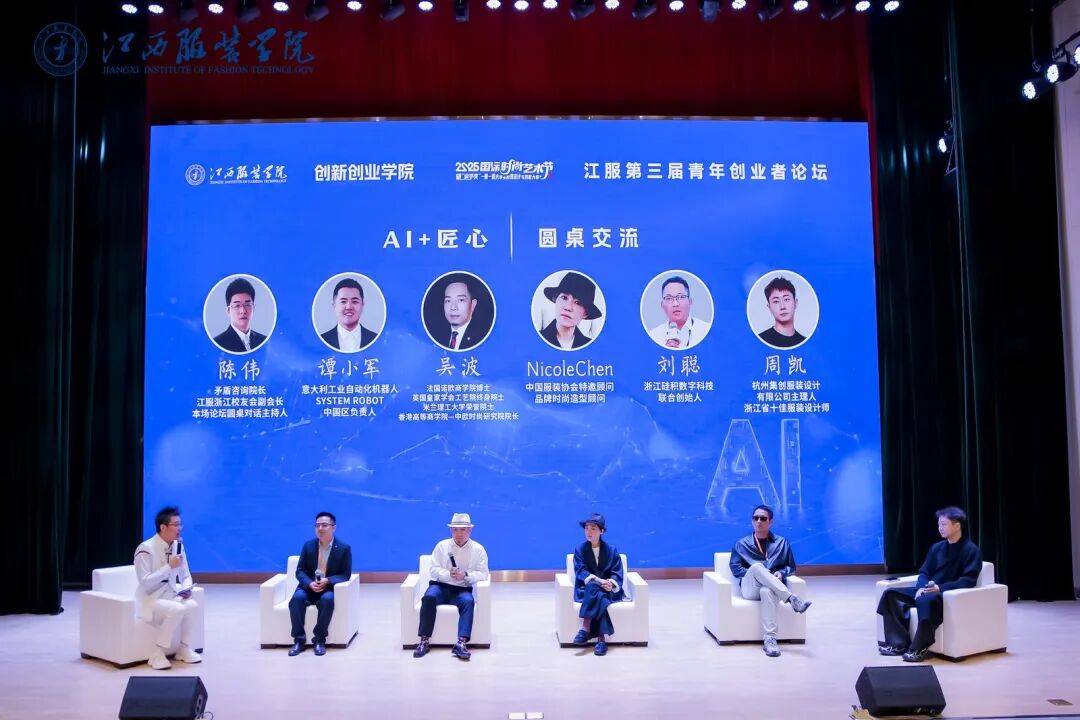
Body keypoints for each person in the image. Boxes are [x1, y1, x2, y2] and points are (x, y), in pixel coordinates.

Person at [876, 507, 983, 662]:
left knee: (926, 600)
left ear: (957, 526)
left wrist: (939, 588)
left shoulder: (971, 550)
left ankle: (919, 648)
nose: (940, 528)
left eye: (944, 524)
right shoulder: (937, 548)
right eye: (939, 524)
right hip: (926, 591)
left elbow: (969, 580)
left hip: (944, 594)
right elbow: (924, 572)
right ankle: (898, 644)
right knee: (890, 594)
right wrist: (921, 587)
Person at [728, 505, 812, 657]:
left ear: (770, 522)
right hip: (750, 588)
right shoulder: (741, 544)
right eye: (756, 518)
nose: (759, 521)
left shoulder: (782, 543)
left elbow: (791, 567)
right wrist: (759, 574)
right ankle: (792, 599)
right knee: (757, 567)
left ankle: (770, 640)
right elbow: (735, 569)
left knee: (767, 590)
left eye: (763, 518)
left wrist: (781, 573)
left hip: (771, 588)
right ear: (752, 521)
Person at [413, 513, 490, 661]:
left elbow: (483, 574)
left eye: (462, 530)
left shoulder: (478, 549)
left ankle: (461, 643)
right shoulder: (441, 546)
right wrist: (449, 574)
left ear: (470, 530)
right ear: (451, 530)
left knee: (468, 602)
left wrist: (465, 575)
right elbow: (433, 569)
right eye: (455, 530)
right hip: (440, 586)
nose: (458, 534)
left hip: (462, 588)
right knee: (429, 597)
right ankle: (424, 640)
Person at [133, 506, 202, 670]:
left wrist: (186, 588)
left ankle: (183, 649)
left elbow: (186, 575)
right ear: (163, 527)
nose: (179, 528)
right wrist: (169, 567)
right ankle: (157, 653)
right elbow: (145, 582)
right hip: (150, 599)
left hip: (171, 595)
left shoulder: (178, 546)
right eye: (176, 525)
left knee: (192, 605)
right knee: (177, 609)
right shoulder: (145, 549)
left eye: (180, 524)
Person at [288, 511, 353, 657]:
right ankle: (298, 640)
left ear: (333, 527)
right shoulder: (308, 546)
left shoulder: (343, 548)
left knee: (328, 600)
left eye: (324, 525)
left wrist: (328, 580)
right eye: (317, 525)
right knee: (296, 599)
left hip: (327, 588)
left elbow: (345, 574)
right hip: (308, 587)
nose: (320, 528)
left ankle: (319, 640)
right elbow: (300, 571)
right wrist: (309, 583)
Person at [571, 513, 624, 656]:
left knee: (598, 593)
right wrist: (599, 581)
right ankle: (601, 640)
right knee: (595, 589)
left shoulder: (611, 550)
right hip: (587, 589)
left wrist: (611, 583)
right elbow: (580, 571)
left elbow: (617, 572)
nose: (589, 532)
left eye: (593, 528)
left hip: (606, 590)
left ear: (602, 531)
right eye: (586, 528)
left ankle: (585, 628)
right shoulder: (580, 549)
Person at [539, 271, 602, 350]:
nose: (568, 307)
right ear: (555, 299)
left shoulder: (592, 347)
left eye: (577, 302)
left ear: (586, 313)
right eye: (564, 298)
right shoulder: (537, 339)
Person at [429, 274, 492, 351]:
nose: (453, 307)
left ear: (473, 305)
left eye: (461, 300)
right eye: (448, 301)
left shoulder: (483, 337)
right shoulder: (436, 334)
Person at [647, 275, 711, 349]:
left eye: (680, 297)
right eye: (669, 298)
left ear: (690, 302)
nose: (675, 304)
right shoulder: (654, 335)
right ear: (662, 305)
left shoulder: (706, 330)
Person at [319, 278, 378, 352]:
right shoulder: (322, 340)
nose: (349, 307)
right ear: (334, 305)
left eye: (354, 301)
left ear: (362, 305)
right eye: (343, 301)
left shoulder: (375, 339)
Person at [213, 277, 268, 352]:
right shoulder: (217, 344)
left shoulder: (264, 341)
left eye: (247, 304)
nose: (243, 311)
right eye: (237, 305)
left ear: (254, 308)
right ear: (228, 310)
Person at [757, 276, 806, 349]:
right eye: (776, 301)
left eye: (786, 299)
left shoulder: (805, 342)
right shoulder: (760, 340)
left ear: (795, 303)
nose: (782, 306)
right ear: (769, 307)